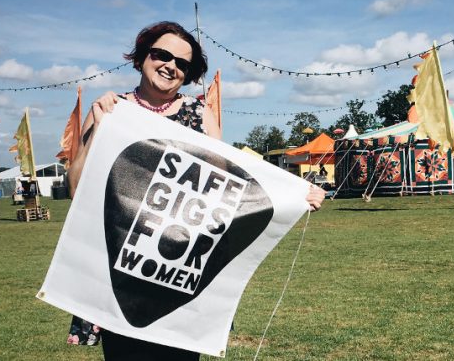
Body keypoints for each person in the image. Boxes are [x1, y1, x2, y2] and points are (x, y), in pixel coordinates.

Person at [67, 21, 325, 360]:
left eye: (182, 63)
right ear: (142, 57)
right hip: (121, 266)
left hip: (178, 269)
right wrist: (99, 131)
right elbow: (76, 190)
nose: (170, 66)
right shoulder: (111, 110)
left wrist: (293, 193)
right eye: (161, 55)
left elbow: (228, 187)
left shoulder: (199, 115)